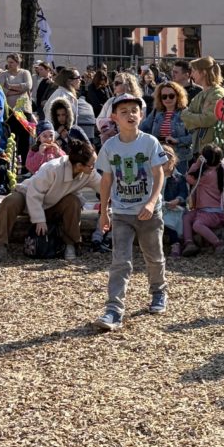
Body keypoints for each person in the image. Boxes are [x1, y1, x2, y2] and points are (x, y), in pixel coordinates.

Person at [94, 93, 169, 331]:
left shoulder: (150, 142)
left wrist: (151, 203)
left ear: (142, 115)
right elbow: (106, 181)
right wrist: (103, 212)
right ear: (114, 117)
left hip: (149, 212)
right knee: (120, 261)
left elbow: (159, 174)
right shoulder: (110, 146)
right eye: (123, 111)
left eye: (134, 110)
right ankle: (113, 310)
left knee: (154, 256)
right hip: (121, 212)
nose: (130, 115)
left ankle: (158, 292)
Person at [0, 138, 100, 263]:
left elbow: (103, 186)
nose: (94, 167)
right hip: (28, 196)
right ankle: (0, 245)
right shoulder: (53, 168)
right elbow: (34, 193)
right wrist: (39, 219)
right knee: (10, 201)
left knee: (73, 201)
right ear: (79, 166)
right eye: (92, 164)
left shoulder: (89, 173)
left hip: (53, 203)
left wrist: (111, 200)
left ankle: (71, 244)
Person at [181, 56, 224, 156]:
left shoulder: (218, 94)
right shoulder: (200, 95)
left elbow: (208, 120)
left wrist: (189, 116)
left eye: (194, 71)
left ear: (204, 72)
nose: (191, 74)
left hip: (216, 148)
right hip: (201, 146)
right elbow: (187, 122)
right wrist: (195, 118)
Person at [181, 144, 224, 256]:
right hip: (204, 210)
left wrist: (197, 164)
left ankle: (218, 243)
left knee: (197, 225)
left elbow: (189, 178)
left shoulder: (207, 175)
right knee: (186, 217)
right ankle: (189, 243)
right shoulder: (219, 169)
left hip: (211, 213)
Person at [140, 81, 193, 173]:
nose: (168, 99)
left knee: (178, 181)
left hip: (179, 158)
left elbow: (193, 136)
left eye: (171, 96)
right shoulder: (156, 112)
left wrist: (177, 140)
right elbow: (143, 129)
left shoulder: (185, 113)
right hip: (159, 156)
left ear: (178, 96)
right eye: (164, 96)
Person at [0, 53, 33, 165]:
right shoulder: (3, 75)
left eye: (12, 62)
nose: (9, 65)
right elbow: (2, 90)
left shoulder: (25, 73)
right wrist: (19, 90)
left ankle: (25, 166)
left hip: (24, 110)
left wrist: (10, 87)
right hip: (10, 111)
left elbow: (28, 86)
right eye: (8, 62)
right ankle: (10, 164)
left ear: (18, 62)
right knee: (11, 139)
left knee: (24, 139)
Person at [159, 144, 189, 258]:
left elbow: (183, 192)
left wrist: (177, 200)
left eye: (163, 162)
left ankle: (175, 244)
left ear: (171, 161)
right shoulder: (156, 177)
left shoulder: (179, 178)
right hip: (161, 206)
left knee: (170, 221)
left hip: (174, 208)